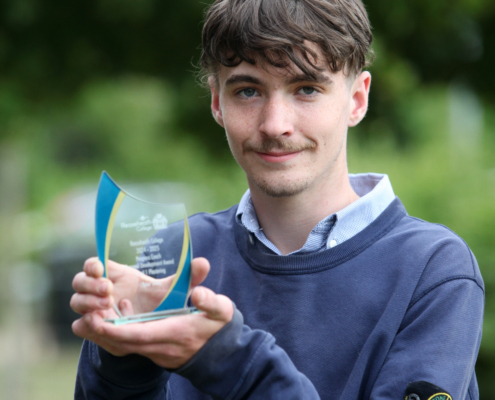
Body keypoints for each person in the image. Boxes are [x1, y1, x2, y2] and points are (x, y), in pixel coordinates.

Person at [71, 0, 484, 399]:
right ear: (216, 101)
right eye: (248, 91)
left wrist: (229, 360)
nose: (275, 124)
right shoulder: (176, 253)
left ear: (357, 99)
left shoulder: (433, 271)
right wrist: (122, 364)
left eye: (306, 89)